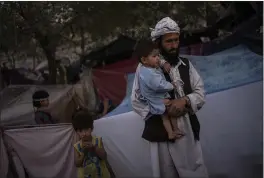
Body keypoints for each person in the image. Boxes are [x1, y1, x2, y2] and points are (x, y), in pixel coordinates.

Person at [131, 17, 208, 178]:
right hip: (161, 132)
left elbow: (200, 93)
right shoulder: (144, 68)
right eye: (169, 41)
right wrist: (161, 109)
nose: (174, 45)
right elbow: (136, 101)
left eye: (176, 40)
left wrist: (185, 100)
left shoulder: (186, 65)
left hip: (186, 130)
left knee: (194, 173)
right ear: (158, 43)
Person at [135, 40, 184, 140]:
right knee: (171, 111)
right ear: (144, 60)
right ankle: (175, 129)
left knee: (165, 117)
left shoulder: (146, 69)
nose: (158, 58)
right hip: (158, 99)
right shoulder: (149, 74)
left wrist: (162, 63)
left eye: (158, 55)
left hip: (153, 99)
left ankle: (171, 133)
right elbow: (159, 85)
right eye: (154, 56)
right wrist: (171, 85)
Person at [72, 110, 112, 178]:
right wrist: (84, 153)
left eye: (86, 129)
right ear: (76, 131)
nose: (84, 134)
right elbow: (77, 164)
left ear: (92, 128)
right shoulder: (77, 146)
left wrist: (95, 148)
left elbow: (104, 156)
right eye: (80, 131)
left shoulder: (98, 140)